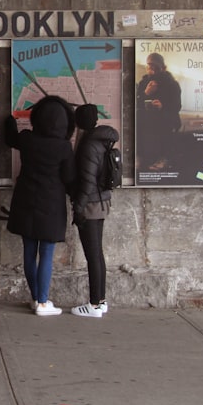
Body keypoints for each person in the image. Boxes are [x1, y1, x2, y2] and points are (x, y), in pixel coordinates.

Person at [3, 95, 75, 316]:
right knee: (46, 253)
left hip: (26, 201)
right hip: (51, 205)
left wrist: (8, 118)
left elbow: (11, 137)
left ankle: (35, 298)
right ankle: (43, 303)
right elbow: (69, 178)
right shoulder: (64, 147)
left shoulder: (27, 139)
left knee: (29, 251)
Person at [68, 104, 118, 318]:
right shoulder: (102, 141)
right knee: (97, 253)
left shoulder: (88, 144)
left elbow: (87, 181)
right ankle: (101, 300)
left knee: (92, 255)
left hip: (91, 205)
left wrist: (77, 208)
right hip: (101, 202)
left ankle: (94, 304)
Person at [135, 52, 181, 171]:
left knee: (167, 119)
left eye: (156, 67)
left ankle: (164, 158)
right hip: (147, 116)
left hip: (165, 116)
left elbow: (177, 106)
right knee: (136, 117)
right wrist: (146, 93)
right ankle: (140, 156)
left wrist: (163, 106)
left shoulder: (172, 84)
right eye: (150, 67)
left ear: (163, 68)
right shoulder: (143, 82)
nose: (152, 71)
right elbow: (135, 102)